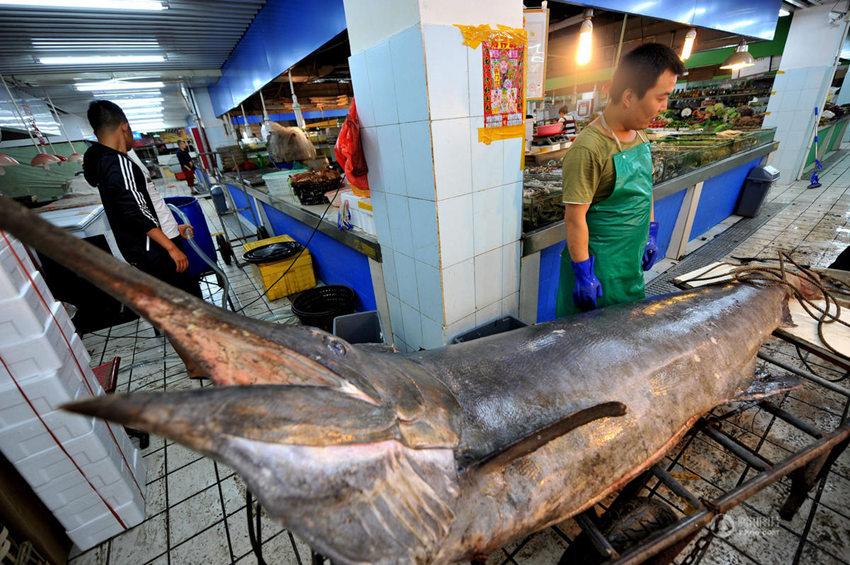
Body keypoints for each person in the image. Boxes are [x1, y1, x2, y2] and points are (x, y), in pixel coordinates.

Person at [556, 43, 685, 318]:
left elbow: (644, 189)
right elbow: (574, 219)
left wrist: (650, 231)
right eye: (661, 98)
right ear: (628, 96)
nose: (664, 107)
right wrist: (583, 274)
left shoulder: (640, 135)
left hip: (629, 264)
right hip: (599, 272)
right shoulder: (588, 148)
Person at [83, 100, 206, 379]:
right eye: (130, 130)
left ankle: (199, 358)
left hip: (151, 244)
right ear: (124, 126)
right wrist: (171, 246)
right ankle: (197, 364)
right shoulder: (116, 161)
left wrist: (175, 228)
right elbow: (134, 211)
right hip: (154, 248)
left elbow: (148, 202)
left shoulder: (102, 160)